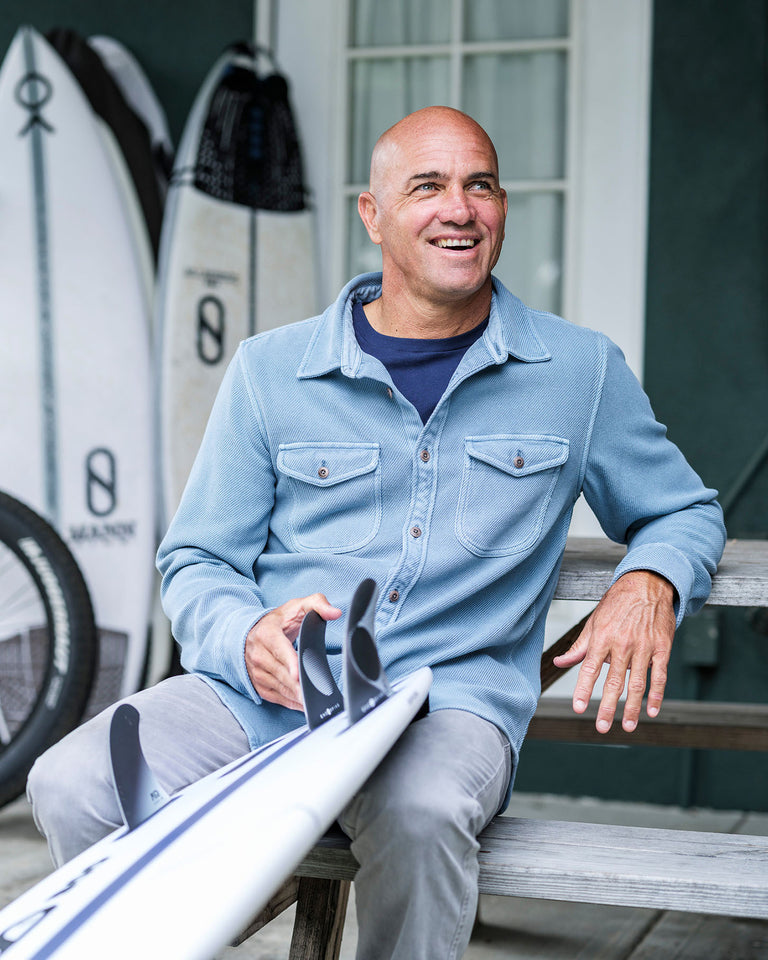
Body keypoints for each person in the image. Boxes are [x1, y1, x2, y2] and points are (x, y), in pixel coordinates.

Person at [28, 106, 726, 959]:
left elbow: (683, 508)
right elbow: (197, 557)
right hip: (271, 698)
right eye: (427, 186)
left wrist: (650, 582)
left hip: (449, 703)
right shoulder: (269, 371)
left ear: (503, 208)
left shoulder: (579, 372)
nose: (459, 209)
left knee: (421, 815)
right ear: (373, 214)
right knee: (71, 780)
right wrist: (244, 634)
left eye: (480, 186)